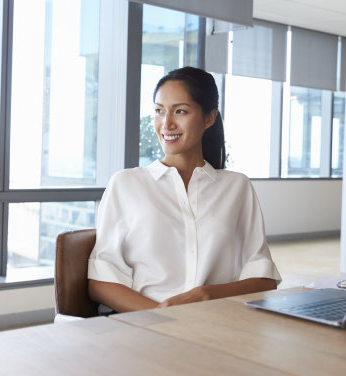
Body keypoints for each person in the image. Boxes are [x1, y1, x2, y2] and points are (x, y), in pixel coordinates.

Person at [88, 66, 281, 313]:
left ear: (209, 118)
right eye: (159, 111)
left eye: (180, 111)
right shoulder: (126, 184)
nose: (166, 123)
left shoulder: (237, 187)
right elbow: (101, 281)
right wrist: (165, 319)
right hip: (146, 324)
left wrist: (206, 294)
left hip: (218, 324)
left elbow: (263, 278)